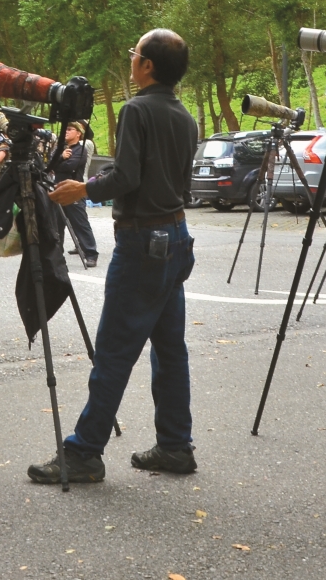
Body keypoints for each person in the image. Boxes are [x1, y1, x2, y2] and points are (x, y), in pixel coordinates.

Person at [31, 28, 198, 484]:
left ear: (147, 65)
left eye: (134, 54)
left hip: (142, 243)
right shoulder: (185, 116)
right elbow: (178, 184)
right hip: (176, 237)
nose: (131, 59)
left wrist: (82, 189)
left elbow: (126, 177)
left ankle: (84, 452)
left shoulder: (136, 109)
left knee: (114, 351)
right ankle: (175, 446)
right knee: (170, 349)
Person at [52, 121, 98, 267]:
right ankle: (57, 254)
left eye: (70, 129)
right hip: (58, 190)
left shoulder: (81, 150)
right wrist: (60, 157)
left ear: (78, 133)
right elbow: (50, 165)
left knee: (80, 223)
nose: (66, 131)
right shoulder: (61, 149)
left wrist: (59, 162)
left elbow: (70, 166)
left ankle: (91, 254)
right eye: (65, 129)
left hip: (74, 192)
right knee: (56, 224)